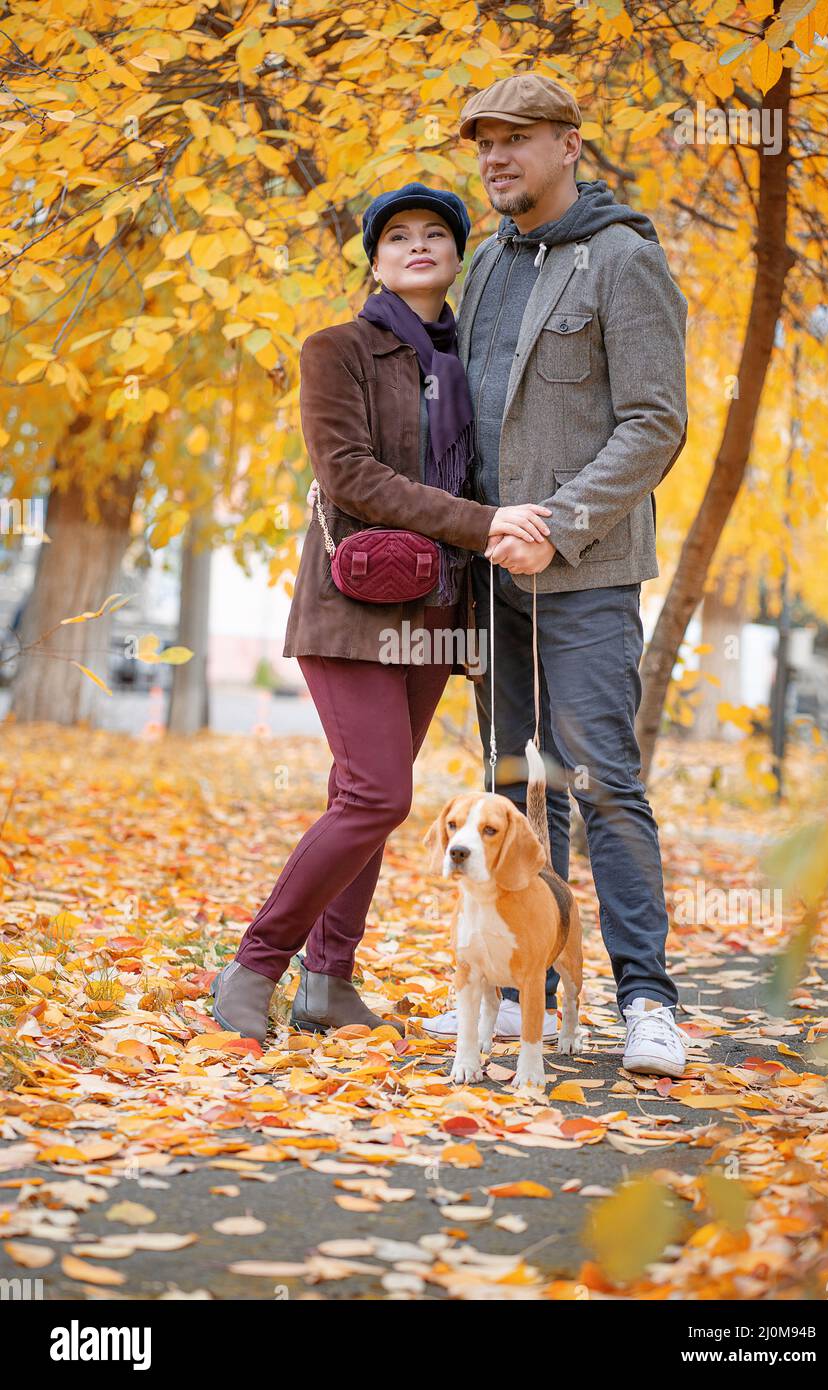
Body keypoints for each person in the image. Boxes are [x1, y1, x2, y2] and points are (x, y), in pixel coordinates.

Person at [210, 184, 553, 1044]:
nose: (416, 245)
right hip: (351, 607)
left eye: (435, 233)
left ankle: (329, 984)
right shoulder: (337, 350)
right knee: (376, 794)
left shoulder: (469, 365)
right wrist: (481, 525)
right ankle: (255, 965)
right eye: (397, 235)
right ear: (375, 259)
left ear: (456, 254)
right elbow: (349, 475)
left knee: (362, 794)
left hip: (436, 613)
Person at [421, 74, 691, 1077]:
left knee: (600, 781)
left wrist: (559, 524)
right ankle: (520, 988)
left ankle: (646, 1002)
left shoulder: (622, 261)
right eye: (483, 141)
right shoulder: (487, 264)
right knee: (511, 790)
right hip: (491, 574)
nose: (496, 157)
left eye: (518, 139)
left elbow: (653, 420)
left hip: (586, 573)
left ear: (568, 145)